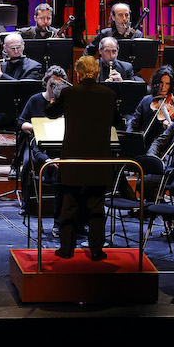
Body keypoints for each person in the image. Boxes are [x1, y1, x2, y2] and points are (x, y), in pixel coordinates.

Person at [45, 56, 119, 261]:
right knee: (97, 206)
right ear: (96, 72)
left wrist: (53, 97)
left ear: (78, 74)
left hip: (73, 158)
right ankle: (96, 251)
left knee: (69, 205)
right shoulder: (109, 94)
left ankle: (66, 250)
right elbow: (117, 120)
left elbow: (50, 113)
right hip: (99, 158)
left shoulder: (69, 93)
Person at [16, 65, 68, 226]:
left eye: (58, 85)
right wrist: (36, 127)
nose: (54, 88)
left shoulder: (64, 102)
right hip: (36, 142)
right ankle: (26, 202)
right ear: (46, 82)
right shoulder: (35, 99)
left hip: (58, 143)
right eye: (52, 84)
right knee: (27, 163)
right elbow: (20, 122)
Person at [129, 65, 174, 148]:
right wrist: (130, 139)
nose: (163, 87)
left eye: (167, 84)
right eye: (161, 82)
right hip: (145, 144)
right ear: (156, 83)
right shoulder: (146, 101)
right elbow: (134, 124)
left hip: (163, 148)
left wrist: (170, 127)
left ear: (171, 85)